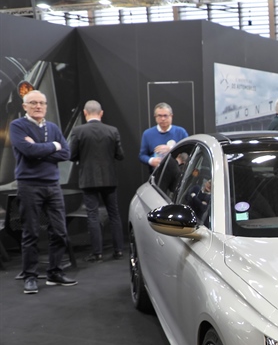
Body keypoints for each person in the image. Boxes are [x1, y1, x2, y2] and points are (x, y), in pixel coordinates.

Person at [10, 90, 77, 294]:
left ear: (46, 106)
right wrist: (53, 147)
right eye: (33, 103)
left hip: (53, 185)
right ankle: (30, 276)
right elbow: (28, 151)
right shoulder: (17, 126)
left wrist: (41, 149)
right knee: (31, 232)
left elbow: (65, 153)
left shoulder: (53, 128)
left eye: (41, 103)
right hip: (29, 185)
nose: (38, 106)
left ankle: (54, 272)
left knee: (59, 231)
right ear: (25, 107)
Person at [68, 100, 125, 262]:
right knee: (114, 215)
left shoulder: (78, 131)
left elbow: (71, 155)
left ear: (85, 113)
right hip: (109, 179)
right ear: (101, 113)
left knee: (92, 215)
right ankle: (119, 251)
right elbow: (120, 155)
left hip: (89, 179)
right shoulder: (112, 131)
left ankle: (97, 253)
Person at [139, 102, 188, 170]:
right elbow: (142, 156)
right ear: (155, 117)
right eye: (159, 116)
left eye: (165, 115)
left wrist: (171, 149)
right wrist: (151, 161)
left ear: (171, 116)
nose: (163, 119)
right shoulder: (147, 134)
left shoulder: (181, 132)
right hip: (157, 173)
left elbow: (189, 151)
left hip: (178, 172)